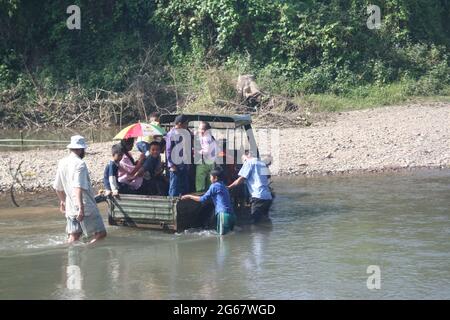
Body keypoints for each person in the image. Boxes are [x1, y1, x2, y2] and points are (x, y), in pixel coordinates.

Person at [53, 135, 107, 244]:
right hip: (85, 206)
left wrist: (63, 201)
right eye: (84, 150)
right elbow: (78, 187)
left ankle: (72, 259)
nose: (84, 152)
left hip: (70, 207)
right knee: (101, 234)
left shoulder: (62, 162)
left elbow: (57, 187)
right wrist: (81, 208)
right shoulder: (80, 164)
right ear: (80, 149)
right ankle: (87, 249)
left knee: (74, 236)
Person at [181, 167, 235, 235]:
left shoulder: (214, 186)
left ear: (215, 178)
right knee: (230, 235)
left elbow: (202, 199)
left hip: (223, 215)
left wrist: (188, 196)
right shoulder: (223, 185)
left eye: (210, 177)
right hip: (232, 215)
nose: (209, 179)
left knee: (222, 238)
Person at [228, 151, 273, 223]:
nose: (243, 161)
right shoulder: (262, 163)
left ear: (247, 156)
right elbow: (268, 177)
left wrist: (229, 187)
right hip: (268, 197)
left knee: (255, 223)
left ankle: (256, 234)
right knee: (264, 221)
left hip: (258, 196)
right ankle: (267, 233)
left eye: (243, 159)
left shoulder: (248, 163)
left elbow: (241, 179)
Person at [166, 114, 191, 196]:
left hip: (183, 165)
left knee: (185, 187)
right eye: (186, 123)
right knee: (174, 187)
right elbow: (168, 150)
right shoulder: (171, 134)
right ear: (180, 124)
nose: (187, 125)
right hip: (175, 166)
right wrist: (172, 165)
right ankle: (171, 206)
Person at [195, 121, 217, 192]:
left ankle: (199, 199)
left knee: (200, 184)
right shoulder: (211, 138)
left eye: (200, 129)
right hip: (212, 162)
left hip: (204, 163)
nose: (199, 130)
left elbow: (206, 151)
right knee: (210, 183)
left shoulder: (205, 138)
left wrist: (197, 152)